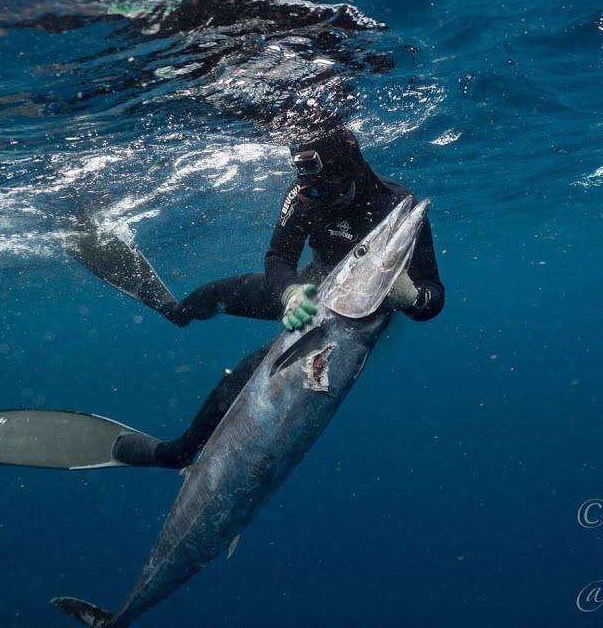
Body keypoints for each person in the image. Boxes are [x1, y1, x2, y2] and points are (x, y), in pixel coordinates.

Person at [101, 119, 445, 469]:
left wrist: (412, 298)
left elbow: (434, 294)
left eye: (332, 189)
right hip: (308, 287)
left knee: (252, 374)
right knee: (209, 295)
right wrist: (291, 293)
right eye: (313, 189)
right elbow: (279, 257)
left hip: (347, 320)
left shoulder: (397, 206)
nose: (322, 197)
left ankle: (178, 453)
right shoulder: (304, 194)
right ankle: (174, 311)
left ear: (353, 170)